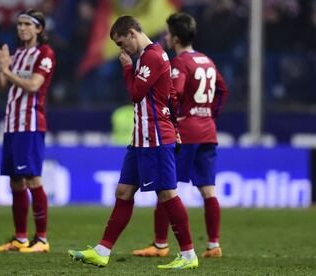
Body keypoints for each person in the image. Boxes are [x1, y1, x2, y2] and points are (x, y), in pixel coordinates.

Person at [68, 15, 198, 270]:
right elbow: (171, 96)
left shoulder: (151, 55)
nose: (122, 49)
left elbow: (136, 93)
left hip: (155, 138)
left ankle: (188, 254)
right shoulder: (152, 57)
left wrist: (127, 67)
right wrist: (177, 126)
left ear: (131, 33)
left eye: (121, 42)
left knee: (167, 194)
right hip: (141, 139)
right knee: (123, 193)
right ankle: (102, 251)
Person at [132, 12, 229, 259]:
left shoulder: (180, 63)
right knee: (208, 191)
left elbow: (176, 92)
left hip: (186, 132)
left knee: (166, 188)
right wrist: (208, 114)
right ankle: (213, 244)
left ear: (174, 38)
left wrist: (177, 117)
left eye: (167, 33)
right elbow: (222, 90)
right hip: (208, 131)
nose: (165, 36)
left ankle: (160, 244)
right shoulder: (207, 60)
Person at [0, 9, 56, 253]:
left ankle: (41, 239)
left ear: (39, 29)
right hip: (11, 124)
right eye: (19, 24)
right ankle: (19, 238)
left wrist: (7, 70)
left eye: (27, 24)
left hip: (30, 124)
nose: (22, 28)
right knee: (16, 182)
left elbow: (33, 85)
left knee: (32, 178)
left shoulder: (45, 53)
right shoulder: (17, 54)